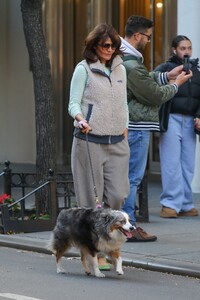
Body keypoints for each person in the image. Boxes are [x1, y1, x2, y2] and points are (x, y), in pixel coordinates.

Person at [120, 15, 193, 242]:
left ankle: (125, 224)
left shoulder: (127, 59)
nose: (149, 41)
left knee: (129, 177)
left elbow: (144, 80)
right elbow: (153, 94)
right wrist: (175, 84)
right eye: (148, 37)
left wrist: (165, 76)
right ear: (138, 35)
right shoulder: (131, 63)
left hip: (134, 125)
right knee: (132, 178)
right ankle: (128, 226)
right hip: (137, 126)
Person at [68, 23, 130, 269]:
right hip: (89, 141)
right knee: (88, 202)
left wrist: (125, 125)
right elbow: (73, 102)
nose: (110, 49)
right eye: (106, 45)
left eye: (114, 45)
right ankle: (93, 253)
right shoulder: (83, 69)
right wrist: (81, 118)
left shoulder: (121, 69)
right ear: (94, 45)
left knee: (117, 196)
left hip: (117, 142)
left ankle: (107, 245)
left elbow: (123, 102)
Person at [154, 35, 200, 218]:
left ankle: (186, 204)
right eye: (183, 48)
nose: (187, 51)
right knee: (171, 164)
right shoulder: (165, 69)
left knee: (188, 165)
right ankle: (170, 204)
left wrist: (199, 115)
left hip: (190, 121)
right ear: (174, 50)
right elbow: (151, 88)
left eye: (189, 47)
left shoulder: (197, 71)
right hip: (171, 119)